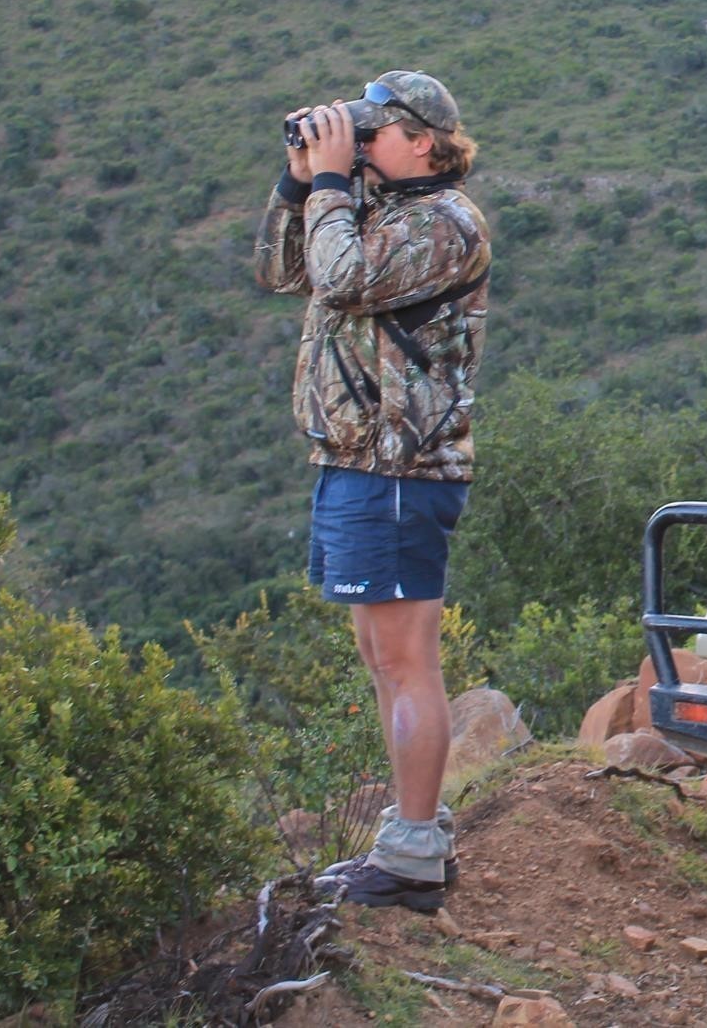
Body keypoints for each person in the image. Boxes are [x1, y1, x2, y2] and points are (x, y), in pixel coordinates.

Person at [255, 70, 490, 912]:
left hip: (399, 468)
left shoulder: (443, 223)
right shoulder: (376, 210)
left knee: (404, 659)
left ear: (424, 140)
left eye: (375, 129)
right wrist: (298, 181)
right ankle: (409, 835)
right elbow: (285, 270)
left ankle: (415, 853)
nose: (359, 142)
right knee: (381, 659)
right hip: (356, 461)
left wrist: (327, 182)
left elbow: (345, 279)